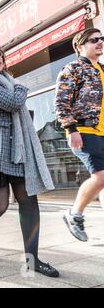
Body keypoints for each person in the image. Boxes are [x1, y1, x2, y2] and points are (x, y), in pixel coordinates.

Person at [0, 43, 59, 277]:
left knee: (29, 203)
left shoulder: (8, 80)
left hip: (17, 150)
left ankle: (33, 260)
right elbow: (13, 102)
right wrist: (21, 87)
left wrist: (16, 85)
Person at [55, 28, 104, 242]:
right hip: (84, 130)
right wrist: (71, 129)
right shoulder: (73, 68)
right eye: (94, 40)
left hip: (102, 131)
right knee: (101, 176)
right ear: (80, 46)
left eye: (102, 38)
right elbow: (61, 102)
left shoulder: (102, 69)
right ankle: (74, 215)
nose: (100, 42)